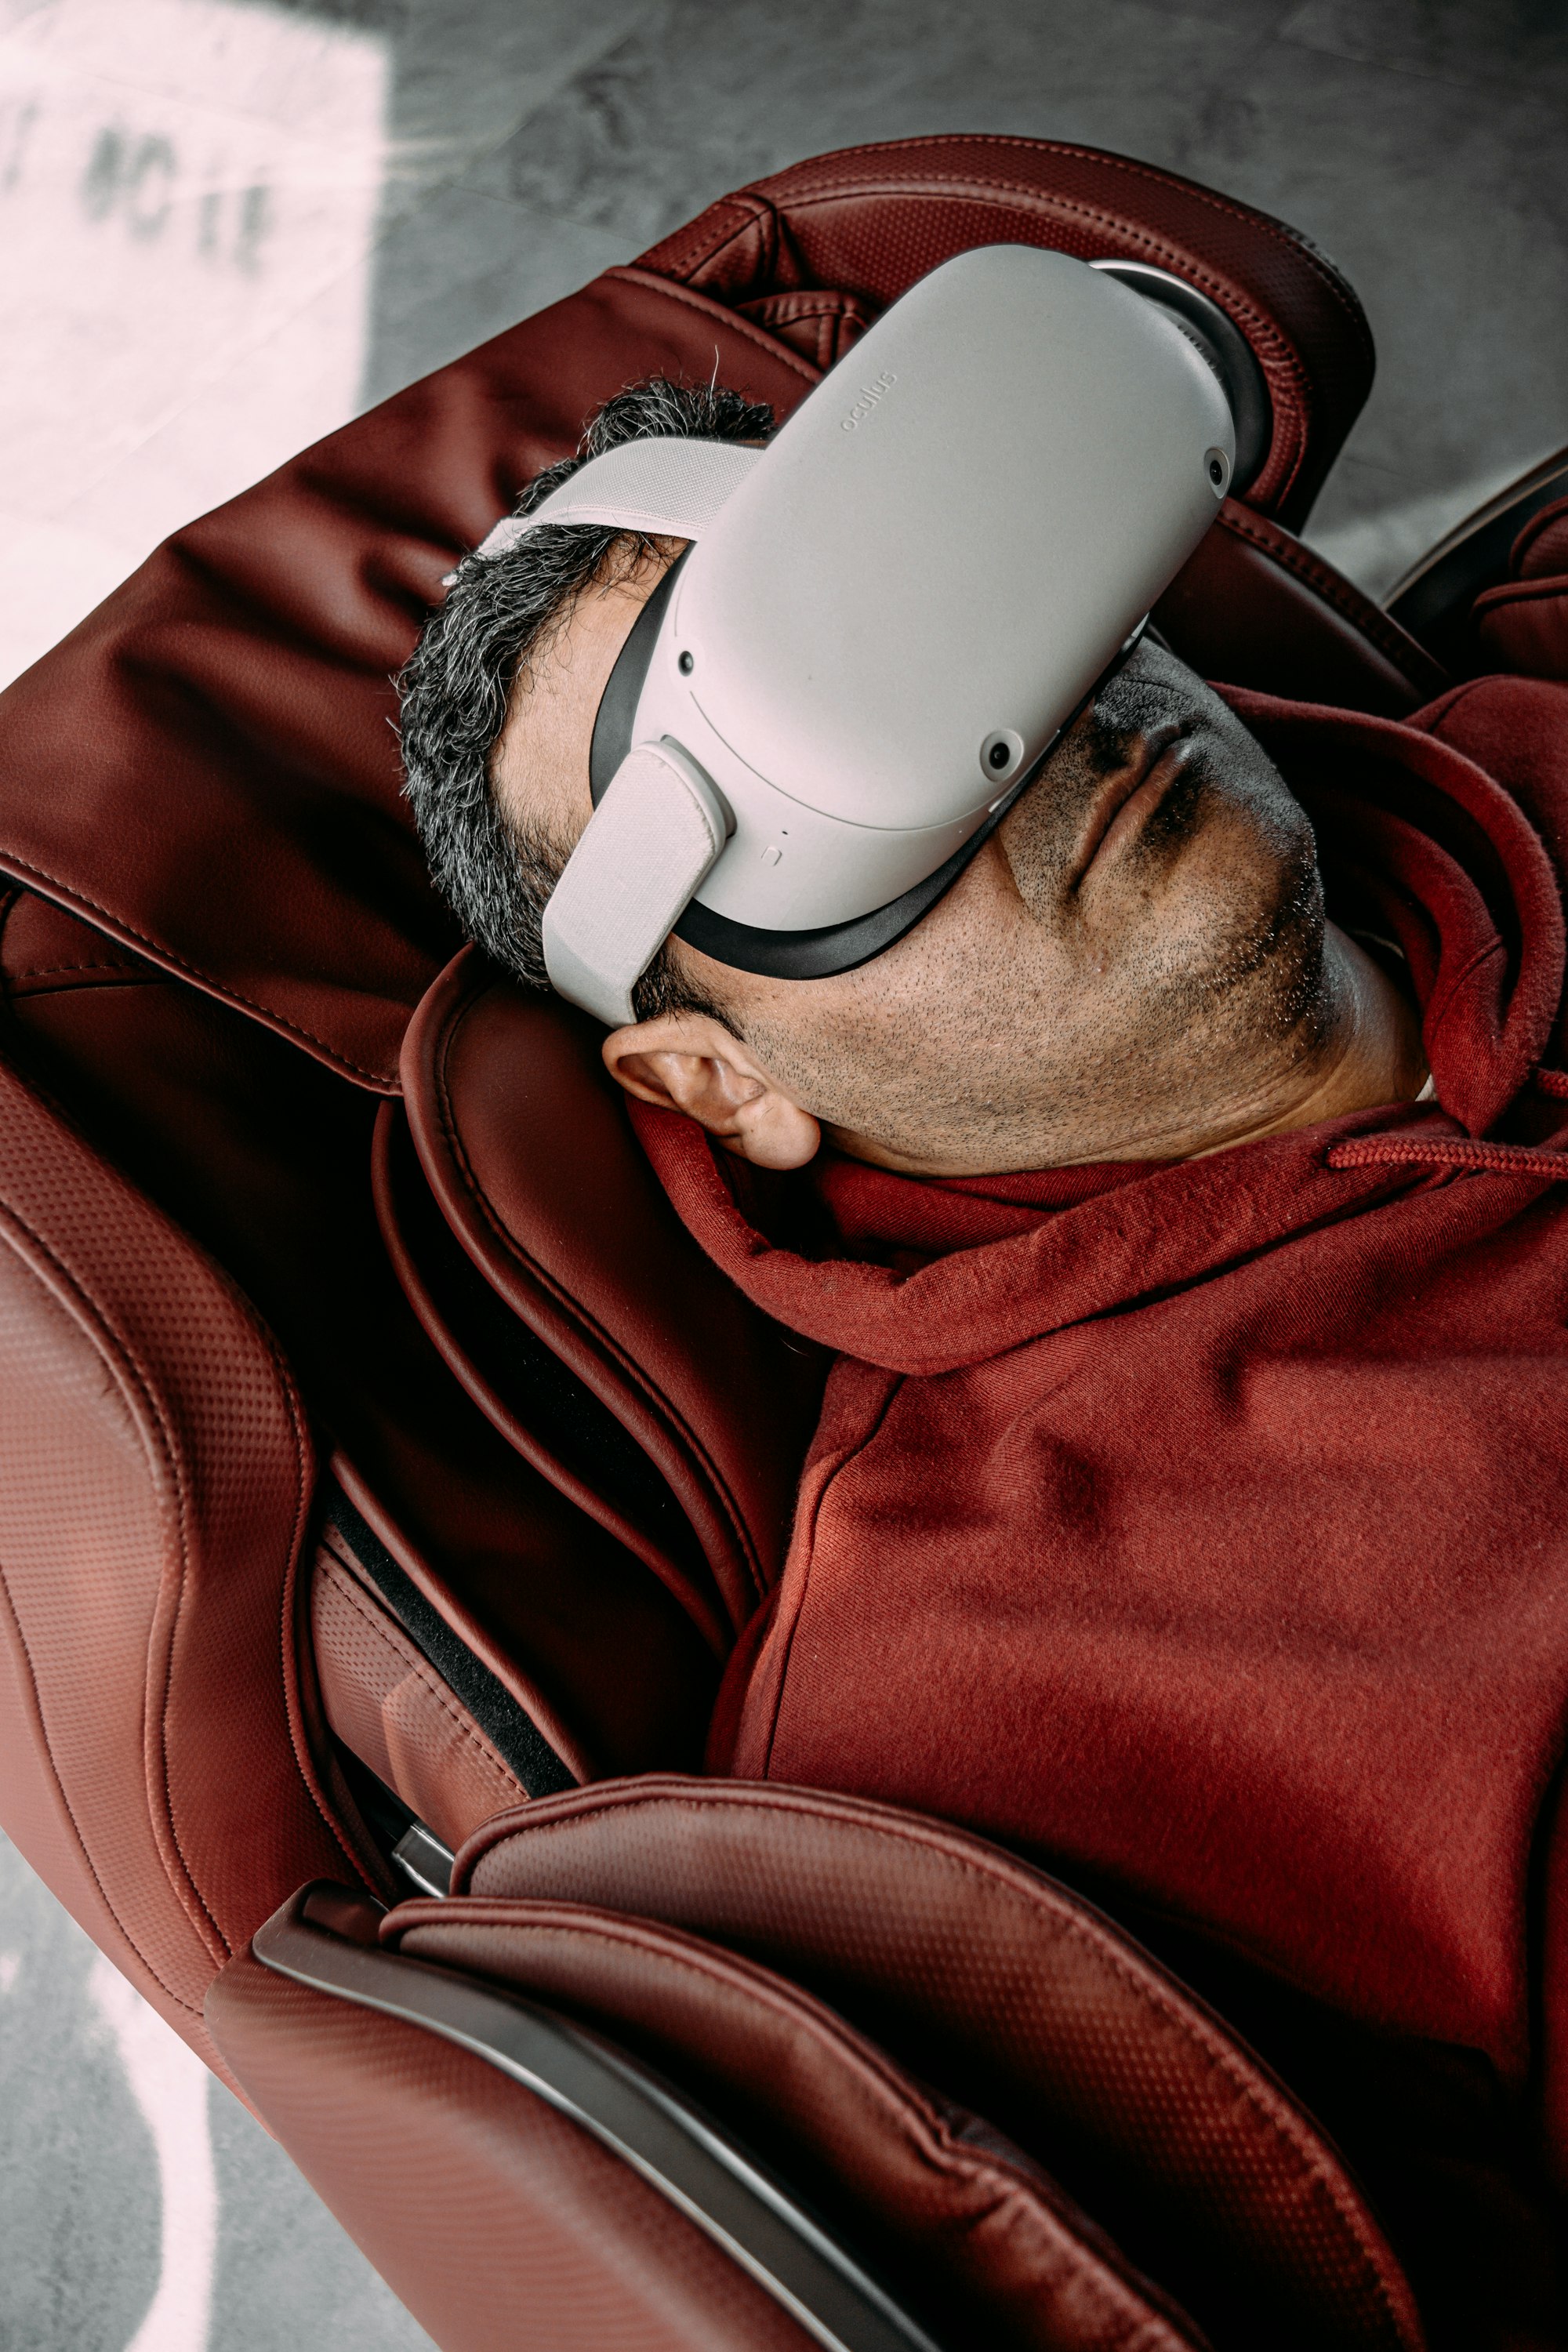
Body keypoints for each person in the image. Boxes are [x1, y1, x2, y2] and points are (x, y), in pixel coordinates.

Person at [401, 376, 1568, 2327]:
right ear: (717, 1076)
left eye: (955, 608)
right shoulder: (995, 1735)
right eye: (817, 795)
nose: (1015, 735)